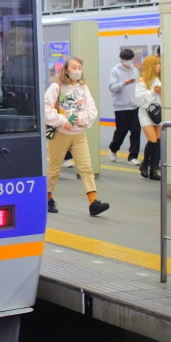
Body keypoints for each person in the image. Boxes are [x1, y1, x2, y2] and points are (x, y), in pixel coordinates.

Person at [44, 57, 110, 217]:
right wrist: (62, 121)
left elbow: (92, 110)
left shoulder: (83, 88)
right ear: (66, 70)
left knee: (86, 168)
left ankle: (93, 202)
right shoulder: (56, 87)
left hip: (79, 134)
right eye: (74, 67)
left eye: (80, 67)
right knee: (54, 168)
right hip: (60, 134)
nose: (78, 70)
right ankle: (47, 197)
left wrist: (80, 119)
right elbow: (46, 109)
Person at [108, 48, 141, 165]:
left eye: (130, 59)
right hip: (121, 107)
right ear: (122, 59)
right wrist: (124, 83)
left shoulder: (135, 70)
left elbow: (137, 86)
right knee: (121, 131)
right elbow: (112, 87)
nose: (129, 61)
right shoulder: (115, 71)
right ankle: (113, 149)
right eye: (126, 59)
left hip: (134, 106)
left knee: (136, 131)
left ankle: (133, 157)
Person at [136, 55, 163, 180]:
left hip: (158, 113)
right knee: (152, 140)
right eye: (157, 64)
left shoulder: (160, 79)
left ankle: (154, 169)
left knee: (158, 141)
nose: (159, 66)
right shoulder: (142, 81)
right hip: (146, 113)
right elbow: (139, 100)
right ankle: (145, 163)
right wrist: (153, 91)